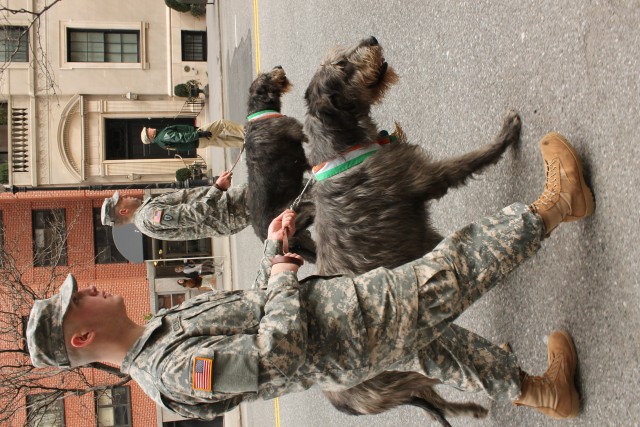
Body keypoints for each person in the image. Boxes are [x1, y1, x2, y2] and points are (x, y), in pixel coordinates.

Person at [28, 133, 594, 421]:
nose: (95, 287)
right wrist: (279, 276)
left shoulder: (158, 331)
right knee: (449, 272)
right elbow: (273, 356)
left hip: (344, 330)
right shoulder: (172, 370)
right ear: (81, 338)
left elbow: (251, 314)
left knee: (441, 351)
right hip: (349, 330)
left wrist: (272, 250)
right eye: (83, 299)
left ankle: (544, 391)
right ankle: (558, 203)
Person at [101, 171, 250, 241]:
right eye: (122, 199)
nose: (127, 195)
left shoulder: (145, 217)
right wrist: (217, 189)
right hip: (230, 210)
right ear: (123, 211)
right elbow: (192, 215)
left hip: (229, 209)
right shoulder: (148, 216)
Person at [141, 119, 245, 152]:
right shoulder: (163, 136)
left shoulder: (161, 141)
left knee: (223, 140)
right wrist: (200, 134)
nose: (149, 128)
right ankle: (245, 133)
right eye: (148, 130)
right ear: (150, 136)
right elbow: (182, 138)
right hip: (198, 138)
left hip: (198, 143)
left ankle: (245, 144)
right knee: (222, 123)